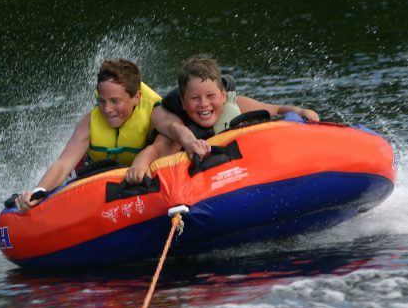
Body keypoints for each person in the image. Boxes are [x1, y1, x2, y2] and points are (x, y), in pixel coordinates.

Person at [16, 59, 161, 211]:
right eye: (102, 101)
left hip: (140, 179)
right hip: (93, 177)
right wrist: (39, 190)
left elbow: (172, 136)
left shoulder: (156, 116)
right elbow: (63, 164)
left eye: (115, 101)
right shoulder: (88, 123)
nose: (107, 109)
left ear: (136, 98)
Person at [150, 56, 320, 159]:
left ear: (223, 96)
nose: (204, 104)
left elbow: (278, 110)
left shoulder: (237, 104)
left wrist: (300, 112)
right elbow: (173, 128)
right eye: (195, 98)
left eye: (210, 96)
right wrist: (190, 142)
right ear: (183, 102)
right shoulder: (169, 114)